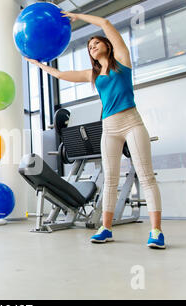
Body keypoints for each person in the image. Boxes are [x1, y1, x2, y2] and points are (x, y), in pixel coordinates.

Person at [25, 11, 165, 249]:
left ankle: (156, 231)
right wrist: (37, 64)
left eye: (96, 43)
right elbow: (59, 74)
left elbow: (105, 22)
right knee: (110, 181)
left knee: (146, 175)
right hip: (109, 127)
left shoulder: (122, 59)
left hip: (132, 121)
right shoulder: (94, 74)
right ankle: (106, 228)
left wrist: (75, 16)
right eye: (89, 47)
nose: (92, 47)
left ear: (107, 46)